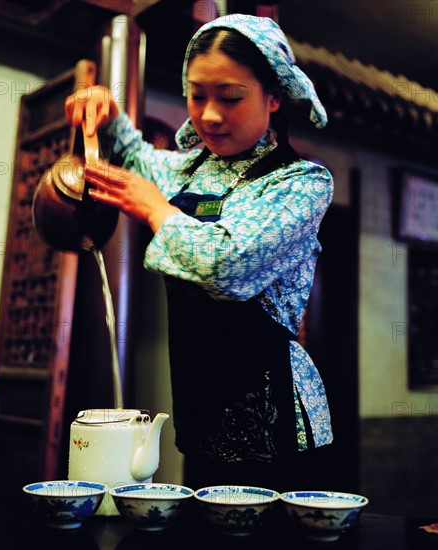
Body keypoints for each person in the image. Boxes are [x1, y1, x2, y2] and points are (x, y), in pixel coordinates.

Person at [65, 14, 334, 492]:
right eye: (196, 95)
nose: (209, 114)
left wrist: (153, 206)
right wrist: (105, 109)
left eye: (230, 97)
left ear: (273, 97)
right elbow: (134, 156)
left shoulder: (300, 183)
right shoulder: (189, 170)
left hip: (278, 422)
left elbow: (227, 265)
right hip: (201, 408)